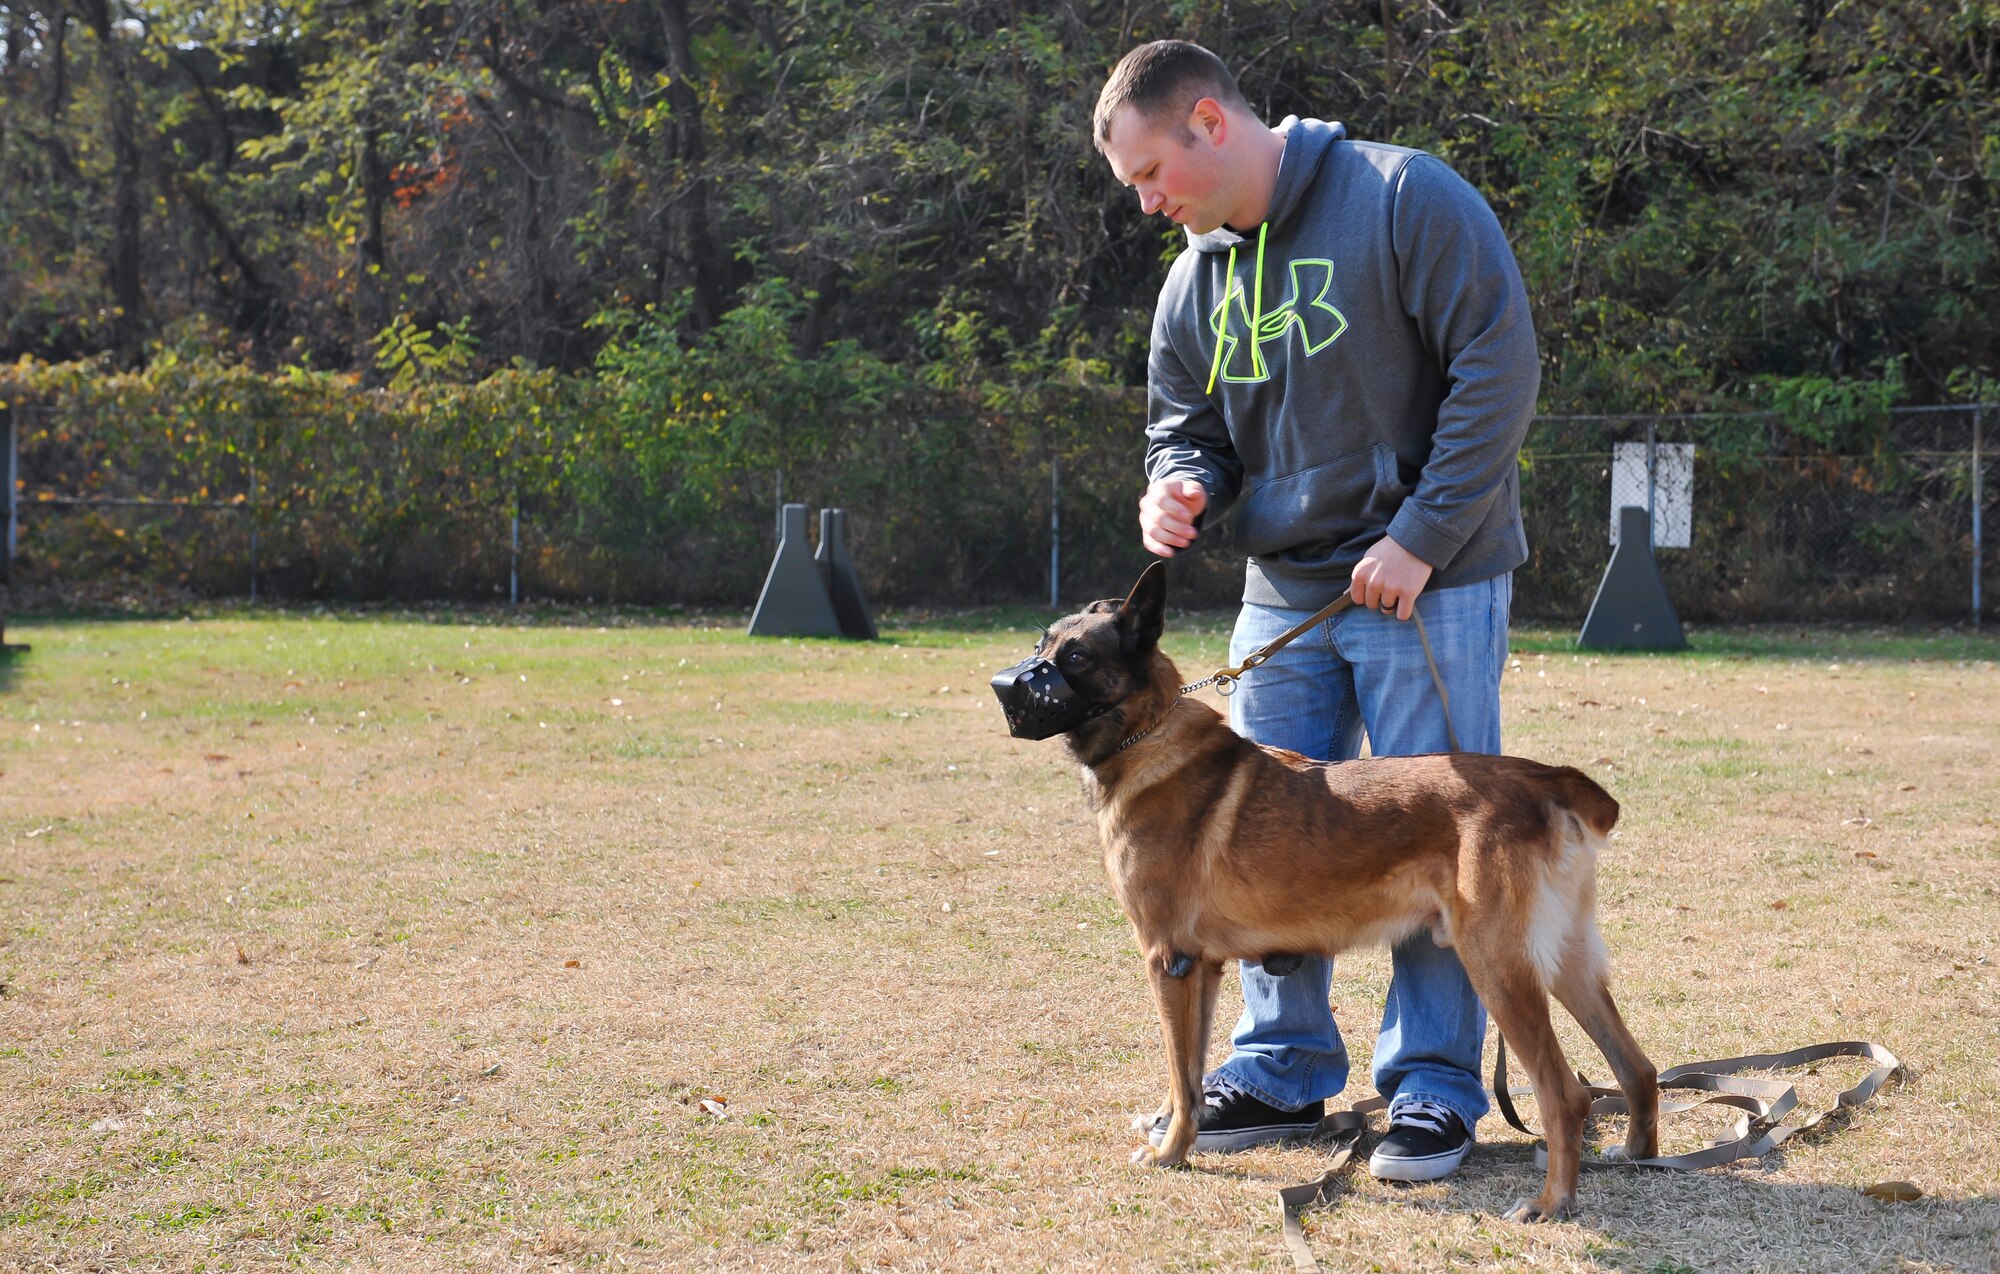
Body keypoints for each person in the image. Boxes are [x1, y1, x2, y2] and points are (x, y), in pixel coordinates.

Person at [1093, 39, 1538, 1183]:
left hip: (1423, 581)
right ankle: (1280, 1065)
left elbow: (1498, 362)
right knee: (1254, 837)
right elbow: (1179, 417)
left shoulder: (1400, 195)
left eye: (1149, 174)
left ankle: (1432, 1087)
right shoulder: (1195, 274)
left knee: (1441, 837)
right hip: (1282, 588)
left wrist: (1422, 534)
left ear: (1207, 120)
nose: (1146, 204)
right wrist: (1180, 480)